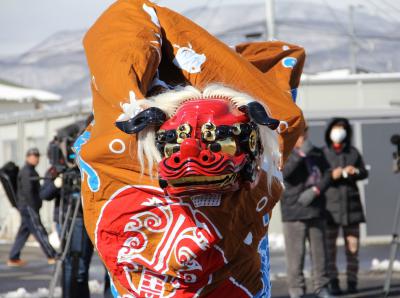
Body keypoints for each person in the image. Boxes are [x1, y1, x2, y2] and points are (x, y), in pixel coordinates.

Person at [281, 126, 332, 298]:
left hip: (315, 208)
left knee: (320, 254)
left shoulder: (316, 152)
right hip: (293, 211)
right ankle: (297, 291)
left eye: (305, 133)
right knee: (295, 256)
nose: (302, 137)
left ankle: (322, 287)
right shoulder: (284, 153)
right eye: (299, 134)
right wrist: (300, 155)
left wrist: (316, 190)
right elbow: (284, 174)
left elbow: (327, 174)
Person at [323, 118, 368, 295]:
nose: (338, 131)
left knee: (353, 248)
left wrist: (354, 171)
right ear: (329, 131)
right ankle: (333, 282)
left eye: (342, 128)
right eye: (335, 128)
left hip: (352, 208)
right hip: (330, 209)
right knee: (330, 249)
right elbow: (318, 175)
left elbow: (363, 172)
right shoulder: (324, 153)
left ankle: (352, 282)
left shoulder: (353, 152)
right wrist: (330, 175)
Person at [7, 148, 57, 267]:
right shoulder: (27, 172)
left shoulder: (31, 171)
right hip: (29, 207)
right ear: (27, 157)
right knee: (39, 230)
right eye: (34, 156)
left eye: (38, 156)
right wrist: (34, 207)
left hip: (27, 206)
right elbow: (28, 192)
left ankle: (13, 257)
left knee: (23, 233)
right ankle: (52, 255)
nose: (36, 158)